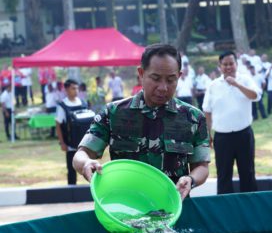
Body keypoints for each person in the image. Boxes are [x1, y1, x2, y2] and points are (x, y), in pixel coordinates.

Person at [73, 44, 210, 200]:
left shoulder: (193, 117)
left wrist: (191, 180)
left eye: (171, 80)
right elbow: (81, 154)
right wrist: (85, 163)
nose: (163, 87)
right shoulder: (113, 113)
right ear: (141, 73)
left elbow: (202, 166)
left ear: (179, 77)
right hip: (126, 206)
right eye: (156, 78)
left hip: (173, 205)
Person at [203, 51, 261, 194]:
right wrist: (207, 134)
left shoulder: (246, 80)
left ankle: (250, 205)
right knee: (223, 174)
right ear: (220, 66)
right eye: (225, 64)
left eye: (231, 63)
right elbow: (207, 111)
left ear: (236, 64)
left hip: (244, 134)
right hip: (222, 137)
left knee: (247, 172)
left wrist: (236, 84)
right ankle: (224, 208)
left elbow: (256, 96)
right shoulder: (213, 85)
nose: (228, 67)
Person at [56, 79, 84, 185]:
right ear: (66, 89)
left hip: (84, 144)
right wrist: (62, 143)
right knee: (71, 170)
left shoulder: (83, 103)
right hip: (71, 145)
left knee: (89, 168)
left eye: (77, 88)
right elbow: (58, 125)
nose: (76, 90)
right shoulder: (63, 106)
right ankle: (71, 192)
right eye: (73, 88)